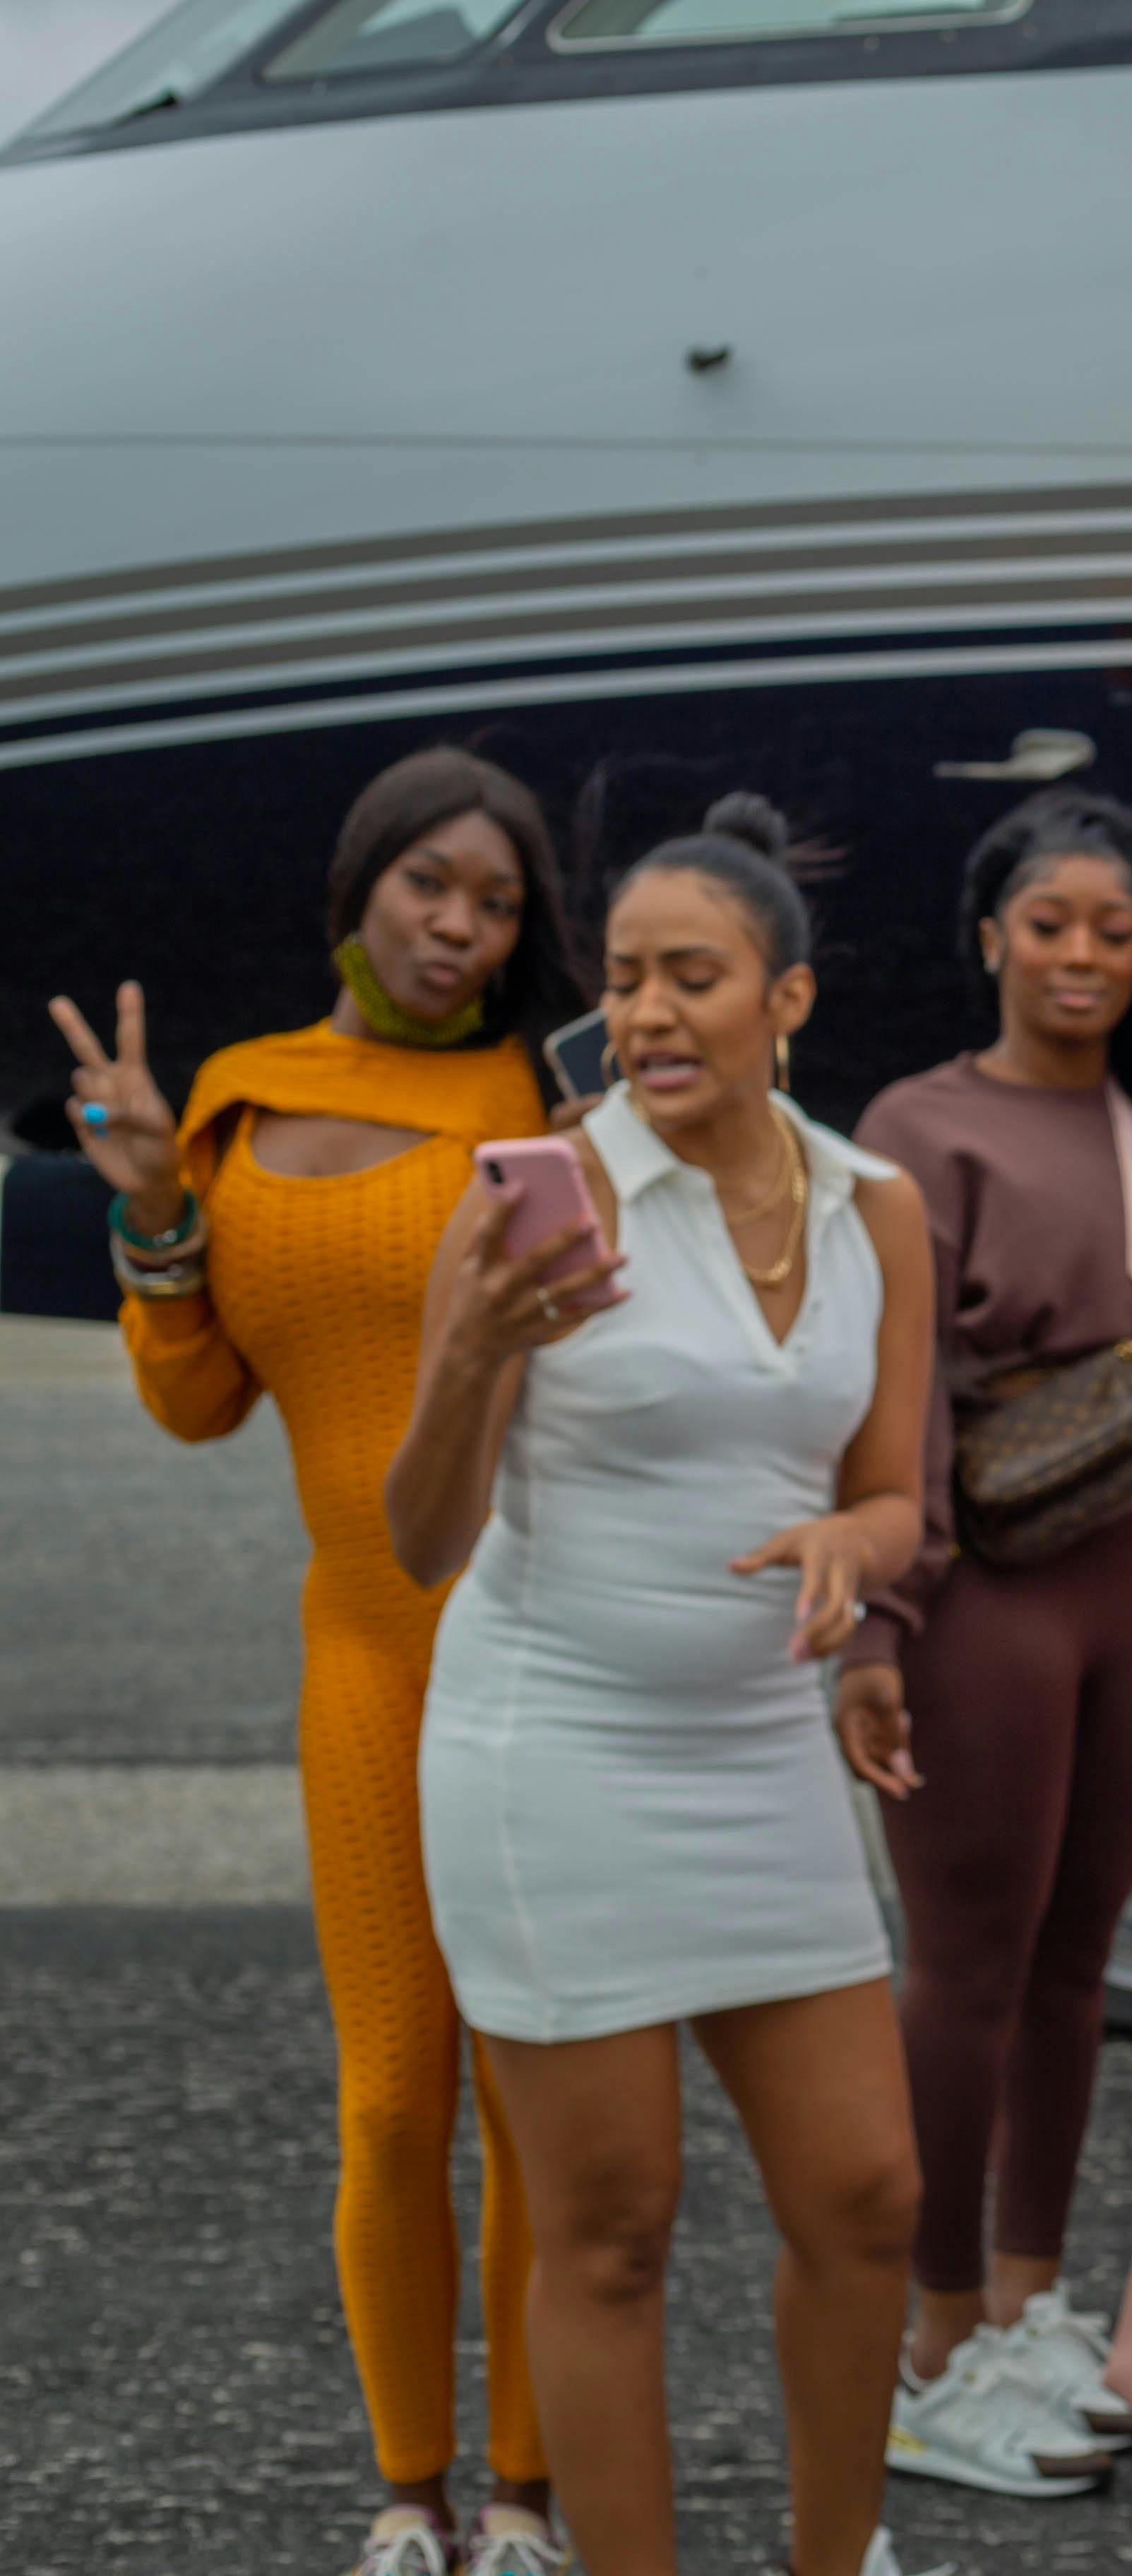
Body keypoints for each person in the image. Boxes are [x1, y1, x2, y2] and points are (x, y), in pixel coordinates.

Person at [382, 797, 938, 2576]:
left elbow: (891, 1485)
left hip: (761, 1750)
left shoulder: (876, 1206)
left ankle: (829, 2564)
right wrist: (472, 1349)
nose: (645, 1018)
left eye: (690, 979)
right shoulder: (533, 1201)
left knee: (868, 2199)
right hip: (556, 1755)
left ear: (788, 998)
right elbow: (418, 1536)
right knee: (610, 2232)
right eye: (622, 982)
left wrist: (857, 1553)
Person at [52, 746, 584, 2576]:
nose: (459, 925)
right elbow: (196, 1400)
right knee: (387, 2095)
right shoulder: (238, 1096)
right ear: (361, 883)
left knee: (530, 2096)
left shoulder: (549, 1096)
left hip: (541, 1657)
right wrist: (147, 1211)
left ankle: (526, 2497)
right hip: (361, 1652)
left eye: (499, 902)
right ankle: (409, 2493)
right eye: (432, 882)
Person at [844, 787, 1132, 2491]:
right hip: (981, 1592)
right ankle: (931, 2336)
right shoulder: (914, 1126)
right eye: (1049, 924)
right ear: (988, 937)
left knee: (1080, 1967)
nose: (1083, 953)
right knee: (964, 1966)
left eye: (1113, 927)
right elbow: (892, 1406)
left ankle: (1028, 2305)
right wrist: (881, 1618)